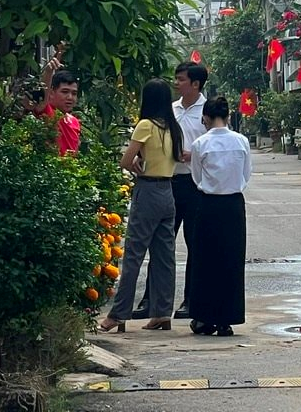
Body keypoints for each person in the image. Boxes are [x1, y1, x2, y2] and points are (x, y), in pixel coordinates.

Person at [99, 80, 183, 333]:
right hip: (168, 191)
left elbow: (125, 160)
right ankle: (162, 312)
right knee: (164, 257)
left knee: (134, 255)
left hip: (147, 191)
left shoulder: (145, 125)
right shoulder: (173, 127)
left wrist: (136, 161)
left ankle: (118, 314)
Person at [134, 61, 207, 320]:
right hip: (167, 182)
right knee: (160, 245)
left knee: (195, 244)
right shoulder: (170, 110)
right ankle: (151, 301)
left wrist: (193, 155)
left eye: (181, 79)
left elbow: (216, 145)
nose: (176, 83)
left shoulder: (207, 112)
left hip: (194, 184)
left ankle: (190, 300)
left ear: (195, 84)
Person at [188, 96, 252, 337]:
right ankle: (228, 319)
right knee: (231, 261)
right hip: (234, 205)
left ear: (205, 117)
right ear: (227, 117)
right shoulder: (242, 141)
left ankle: (205, 317)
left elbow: (196, 177)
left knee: (205, 262)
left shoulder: (200, 144)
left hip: (208, 204)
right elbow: (247, 174)